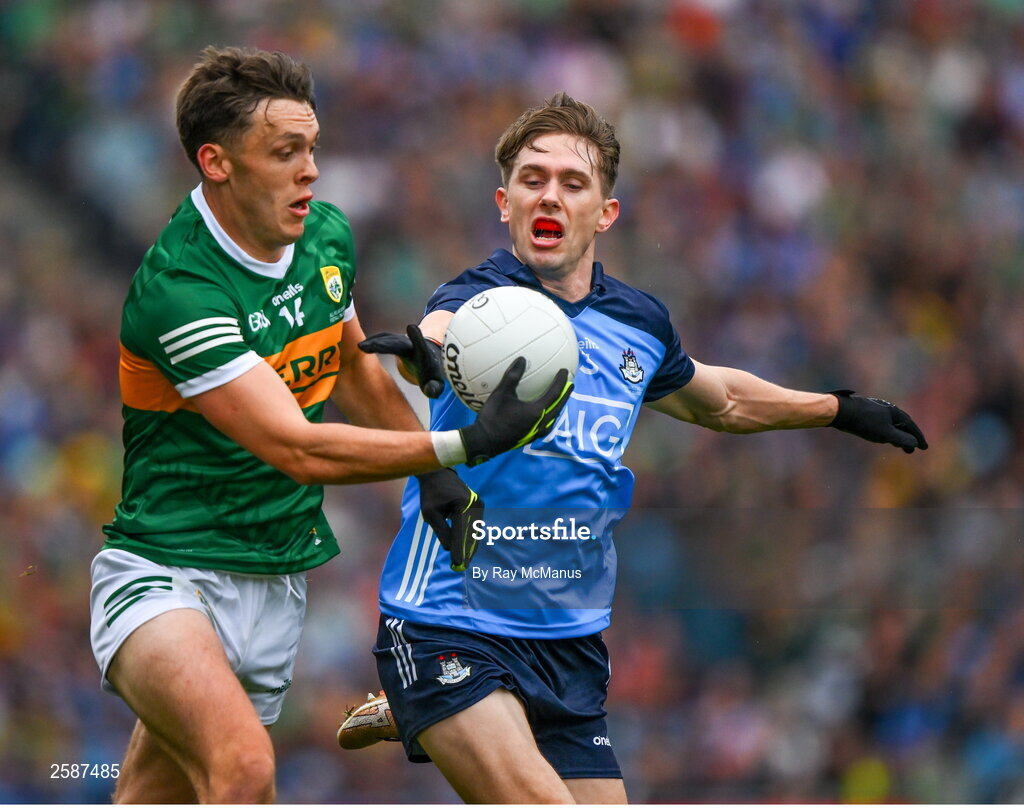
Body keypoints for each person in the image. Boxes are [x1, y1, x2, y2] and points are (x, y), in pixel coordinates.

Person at [343, 93, 928, 804]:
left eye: (571, 182)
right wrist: (422, 356)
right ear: (504, 203)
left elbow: (720, 398)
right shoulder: (479, 300)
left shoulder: (639, 325)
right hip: (448, 622)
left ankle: (418, 713)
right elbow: (438, 333)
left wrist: (838, 409)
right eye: (532, 180)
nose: (548, 195)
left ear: (605, 212)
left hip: (566, 642)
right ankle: (422, 698)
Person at [88, 47, 571, 805]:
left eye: (312, 148)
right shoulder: (179, 292)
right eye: (285, 153)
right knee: (244, 771)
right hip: (166, 572)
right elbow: (298, 447)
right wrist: (462, 442)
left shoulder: (323, 239)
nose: (311, 170)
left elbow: (346, 368)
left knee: (157, 795)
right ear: (216, 163)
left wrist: (434, 476)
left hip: (275, 577)